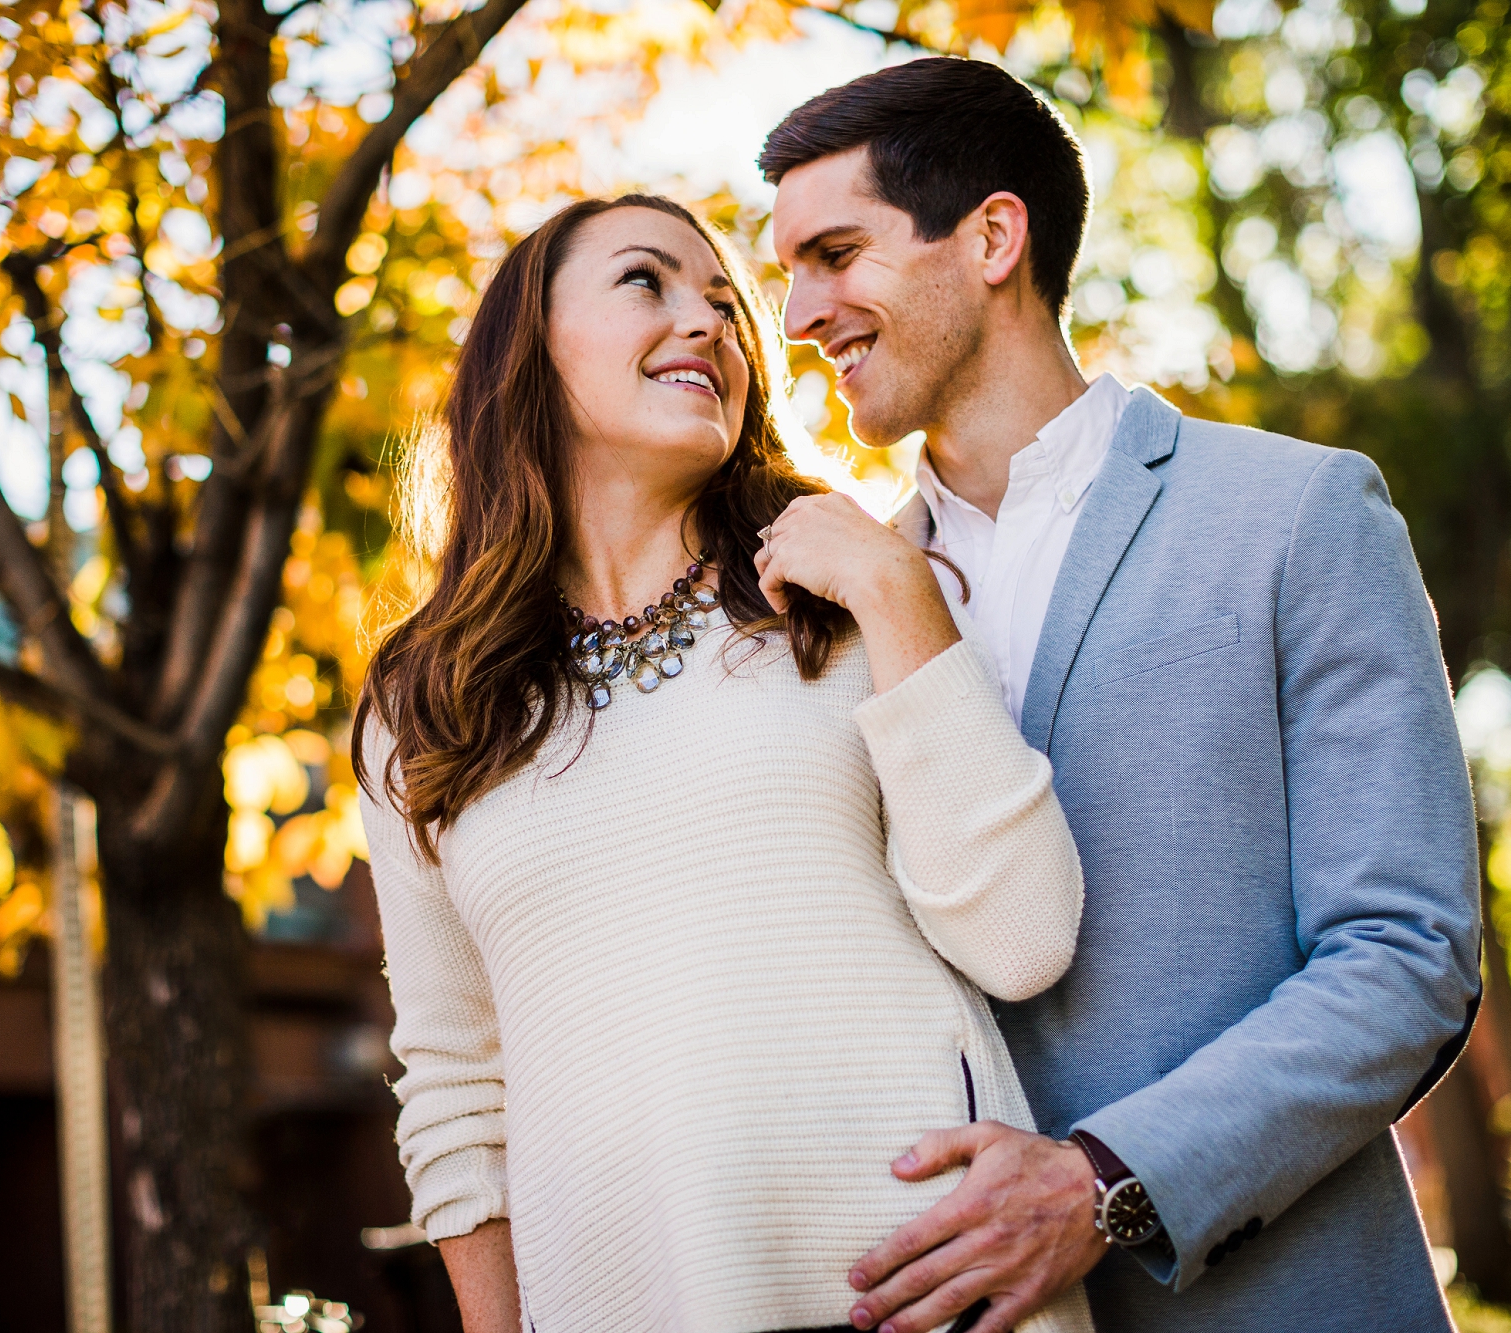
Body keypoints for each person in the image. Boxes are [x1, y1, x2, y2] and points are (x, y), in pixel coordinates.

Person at [758, 57, 1483, 1333]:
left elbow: (1403, 957)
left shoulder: (1293, 513)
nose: (800, 314)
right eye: (788, 273)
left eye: (834, 253)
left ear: (991, 237)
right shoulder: (822, 609)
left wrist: (1101, 1183)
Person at [353, 193, 1098, 1333]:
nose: (709, 323)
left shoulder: (848, 587)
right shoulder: (424, 707)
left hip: (928, 1292)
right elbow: (454, 1086)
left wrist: (898, 593)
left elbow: (1023, 936)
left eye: (723, 305)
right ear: (529, 348)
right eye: (645, 282)